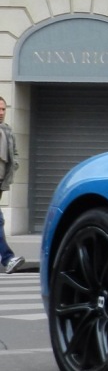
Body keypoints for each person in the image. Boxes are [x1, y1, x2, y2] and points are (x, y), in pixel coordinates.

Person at [0, 96, 22, 275]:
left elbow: (13, 153)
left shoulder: (7, 131)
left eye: (3, 109)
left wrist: (14, 166)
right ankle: (7, 258)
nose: (1, 113)